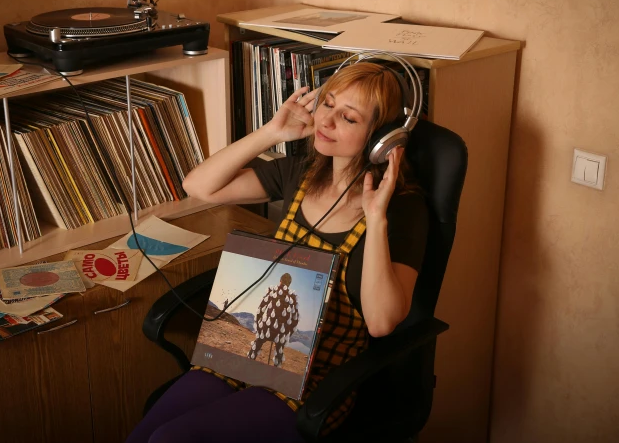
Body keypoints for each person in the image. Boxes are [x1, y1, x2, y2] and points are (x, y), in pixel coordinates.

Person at [126, 62, 429, 443]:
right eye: (327, 104)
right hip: (241, 359)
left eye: (348, 118)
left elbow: (382, 323)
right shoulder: (301, 172)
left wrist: (377, 218)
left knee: (170, 440)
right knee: (147, 434)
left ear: (380, 138)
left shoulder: (401, 209)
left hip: (315, 382)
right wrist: (271, 132)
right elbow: (198, 185)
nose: (327, 121)